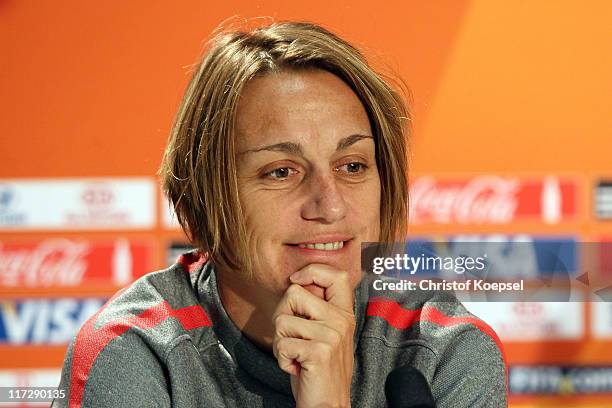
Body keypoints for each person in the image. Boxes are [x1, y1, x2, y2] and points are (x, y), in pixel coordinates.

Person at [54, 21, 507, 407]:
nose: (330, 205)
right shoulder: (135, 353)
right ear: (203, 199)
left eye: (352, 166)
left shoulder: (444, 354)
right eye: (281, 171)